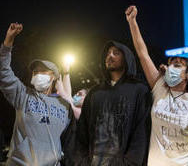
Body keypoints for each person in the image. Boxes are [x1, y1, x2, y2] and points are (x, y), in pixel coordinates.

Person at [126, 6, 188, 166]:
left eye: (177, 66)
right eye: (170, 65)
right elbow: (142, 54)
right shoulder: (159, 88)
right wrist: (132, 21)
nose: (171, 69)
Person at [71, 39, 152, 165]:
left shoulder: (139, 90)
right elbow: (82, 130)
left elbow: (141, 133)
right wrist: (81, 161)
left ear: (126, 58)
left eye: (116, 53)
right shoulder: (94, 93)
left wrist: (130, 163)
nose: (110, 56)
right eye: (108, 53)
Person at [0, 23, 71, 165]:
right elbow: (3, 72)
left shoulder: (64, 104)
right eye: (35, 72)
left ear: (53, 77)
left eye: (43, 71)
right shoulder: (23, 95)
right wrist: (8, 42)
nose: (38, 74)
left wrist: (67, 72)